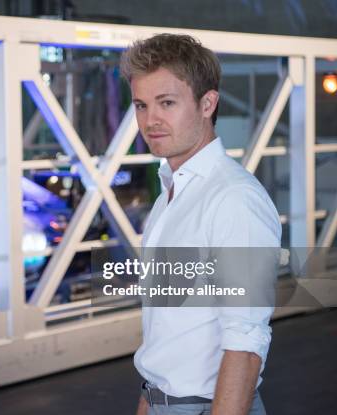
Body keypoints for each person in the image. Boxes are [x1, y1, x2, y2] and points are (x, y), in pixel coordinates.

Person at [120, 34, 281, 415]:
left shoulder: (234, 200)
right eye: (141, 105)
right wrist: (150, 401)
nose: (150, 120)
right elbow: (168, 333)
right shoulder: (170, 196)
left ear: (207, 103)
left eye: (167, 103)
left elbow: (246, 340)